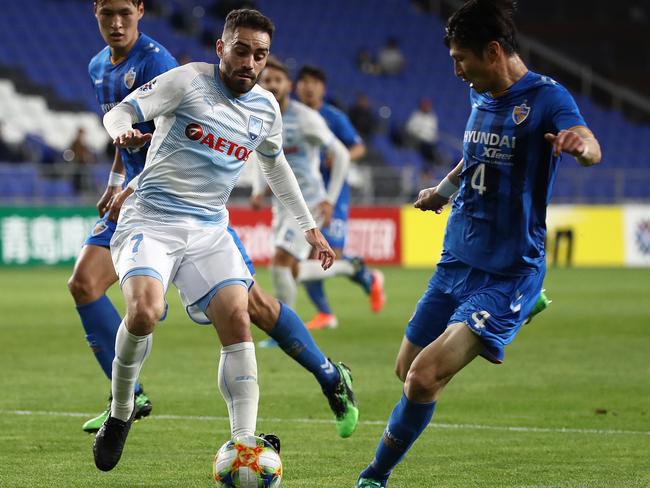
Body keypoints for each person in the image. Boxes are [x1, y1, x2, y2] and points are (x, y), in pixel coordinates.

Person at [74, 1, 358, 442]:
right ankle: (122, 408)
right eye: (241, 51)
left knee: (245, 314)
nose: (250, 63)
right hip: (151, 217)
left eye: (259, 55)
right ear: (220, 46)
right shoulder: (187, 80)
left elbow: (275, 164)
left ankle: (249, 439)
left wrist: (309, 228)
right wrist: (120, 133)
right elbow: (120, 113)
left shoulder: (265, 109)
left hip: (209, 229)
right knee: (145, 311)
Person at [356, 1, 601, 486]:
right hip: (457, 259)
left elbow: (591, 143)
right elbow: (473, 157)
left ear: (493, 51)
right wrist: (441, 193)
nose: (455, 70)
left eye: (460, 58)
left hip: (508, 268)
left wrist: (580, 148)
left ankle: (373, 477)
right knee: (404, 369)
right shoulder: (480, 93)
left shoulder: (547, 98)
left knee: (424, 377)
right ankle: (521, 309)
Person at [68, 0, 178, 433]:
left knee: (249, 307)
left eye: (124, 13)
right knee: (83, 283)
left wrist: (132, 184)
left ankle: (326, 374)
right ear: (95, 10)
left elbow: (177, 138)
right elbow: (123, 131)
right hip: (128, 196)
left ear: (140, 10)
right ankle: (131, 396)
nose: (116, 23)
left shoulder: (158, 63)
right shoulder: (99, 65)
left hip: (167, 197)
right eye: (106, 13)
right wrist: (116, 180)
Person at [253, 57, 353, 335]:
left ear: (288, 85)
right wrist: (258, 189)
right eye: (266, 80)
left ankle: (285, 330)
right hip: (280, 204)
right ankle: (348, 268)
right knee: (292, 269)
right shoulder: (261, 115)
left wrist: (330, 199)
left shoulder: (307, 119)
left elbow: (342, 155)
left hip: (308, 202)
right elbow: (262, 156)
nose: (271, 85)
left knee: (279, 262)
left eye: (277, 80)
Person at [295, 65, 385, 330]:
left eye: (314, 82)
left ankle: (365, 278)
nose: (309, 87)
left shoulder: (333, 117)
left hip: (334, 195)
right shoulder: (292, 115)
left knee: (330, 254)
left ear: (323, 88)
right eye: (304, 82)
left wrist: (340, 157)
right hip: (305, 195)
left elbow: (358, 147)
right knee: (303, 260)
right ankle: (327, 311)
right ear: (296, 86)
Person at [404, 97, 441, 167]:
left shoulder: (432, 116)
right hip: (418, 140)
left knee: (435, 150)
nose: (427, 108)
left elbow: (434, 130)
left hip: (430, 141)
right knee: (425, 149)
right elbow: (409, 128)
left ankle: (433, 164)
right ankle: (428, 163)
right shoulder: (416, 115)